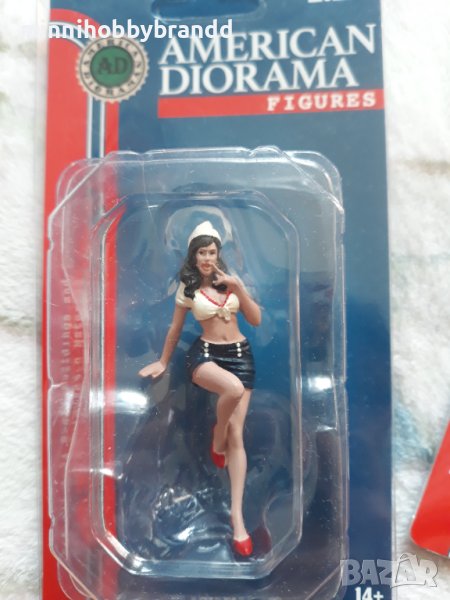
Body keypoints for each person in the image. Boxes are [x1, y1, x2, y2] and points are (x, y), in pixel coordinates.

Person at [139, 221, 261, 556]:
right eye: (201, 253)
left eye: (212, 252)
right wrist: (163, 361)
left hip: (240, 355)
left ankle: (237, 519)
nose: (207, 258)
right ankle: (217, 436)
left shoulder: (230, 283)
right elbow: (175, 328)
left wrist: (239, 288)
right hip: (205, 356)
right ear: (193, 256)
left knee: (238, 433)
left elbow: (255, 319)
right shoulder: (188, 289)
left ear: (218, 254)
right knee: (232, 391)